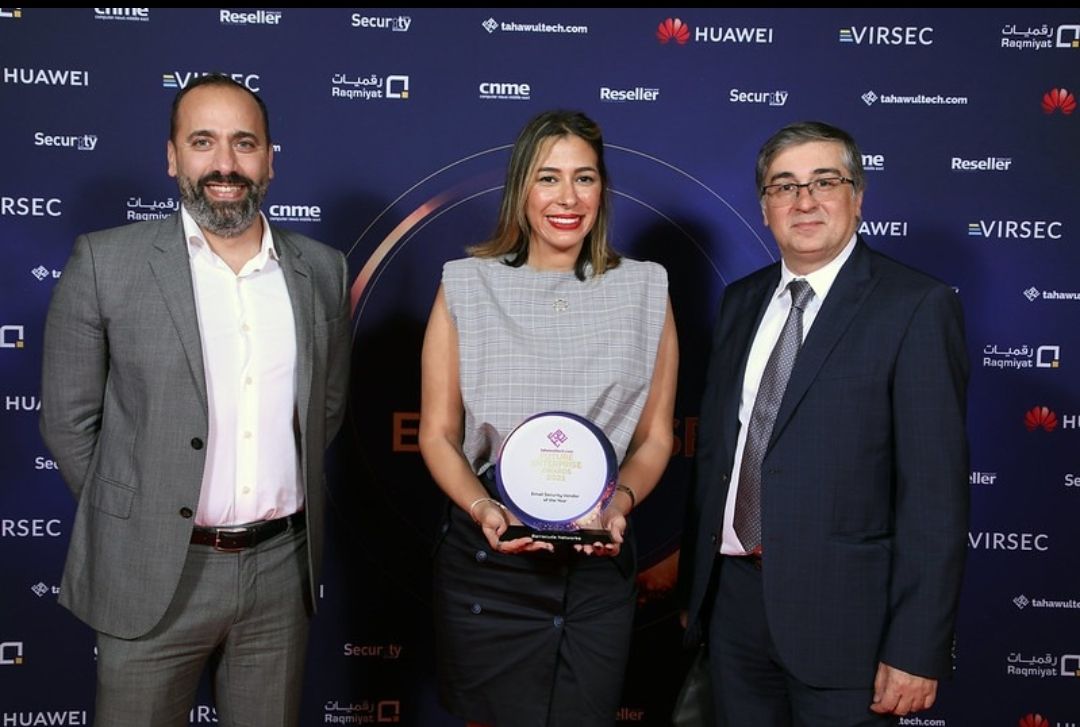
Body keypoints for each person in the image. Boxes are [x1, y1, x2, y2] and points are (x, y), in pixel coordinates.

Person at [39, 73, 350, 727]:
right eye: (203, 142)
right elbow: (69, 420)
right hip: (151, 571)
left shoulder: (322, 269)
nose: (225, 164)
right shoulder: (106, 262)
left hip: (279, 573)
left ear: (270, 158)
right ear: (173, 156)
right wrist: (137, 515)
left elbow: (325, 405)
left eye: (244, 143)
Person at [680, 121, 969, 725]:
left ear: (858, 197)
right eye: (784, 186)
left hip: (849, 630)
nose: (804, 200)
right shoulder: (740, 300)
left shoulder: (915, 305)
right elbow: (719, 460)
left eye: (824, 182)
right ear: (764, 209)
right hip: (733, 612)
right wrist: (697, 593)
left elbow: (935, 495)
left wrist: (916, 647)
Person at [418, 109, 679, 726]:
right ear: (520, 190)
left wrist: (619, 506)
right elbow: (437, 433)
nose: (567, 198)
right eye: (548, 178)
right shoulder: (466, 283)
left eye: (584, 178)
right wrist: (483, 509)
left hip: (595, 561)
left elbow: (655, 437)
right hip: (492, 555)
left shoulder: (647, 288)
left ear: (602, 190)